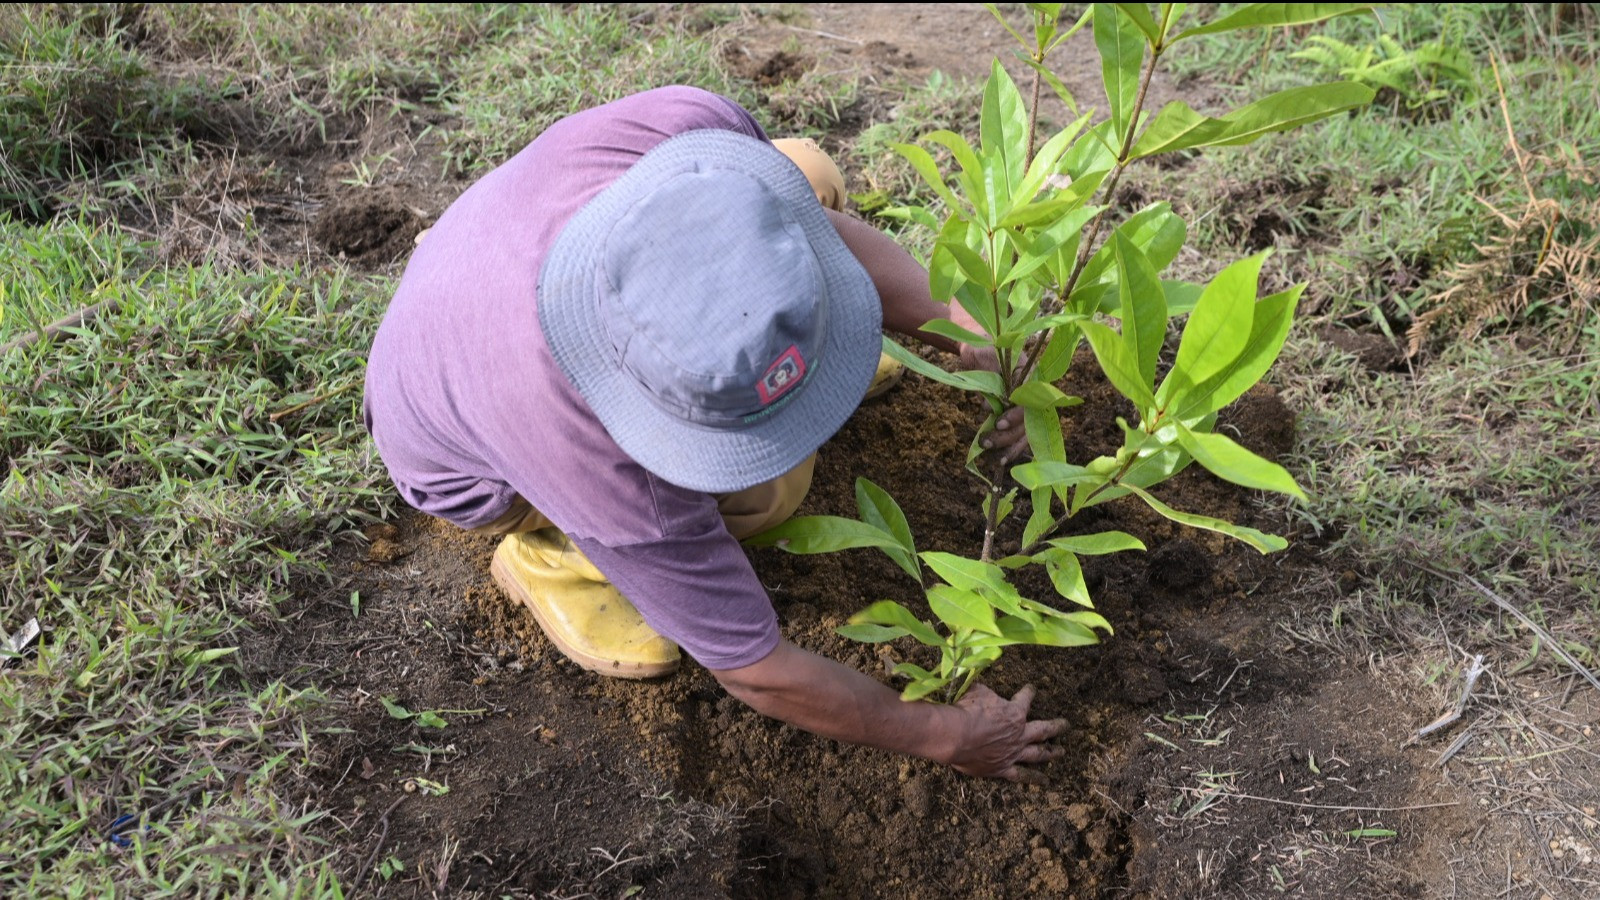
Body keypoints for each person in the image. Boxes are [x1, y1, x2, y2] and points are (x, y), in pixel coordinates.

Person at [364, 86, 1064, 782]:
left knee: (806, 174)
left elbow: (814, 225)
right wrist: (950, 735)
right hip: (461, 449)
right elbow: (761, 674)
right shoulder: (608, 465)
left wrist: (963, 324)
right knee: (769, 496)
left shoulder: (688, 126)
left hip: (488, 258)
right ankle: (563, 554)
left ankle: (792, 354)